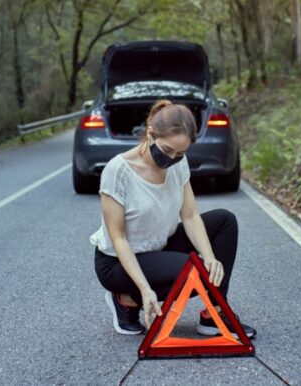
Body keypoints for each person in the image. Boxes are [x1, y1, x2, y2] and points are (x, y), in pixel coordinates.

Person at [90, 99, 256, 338]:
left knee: (224, 221)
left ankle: (214, 313)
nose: (172, 158)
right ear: (150, 134)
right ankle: (126, 299)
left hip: (158, 246)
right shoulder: (118, 171)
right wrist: (145, 291)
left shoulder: (178, 163)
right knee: (194, 271)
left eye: (181, 153)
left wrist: (210, 257)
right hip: (117, 262)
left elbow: (189, 215)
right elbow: (119, 238)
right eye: (167, 150)